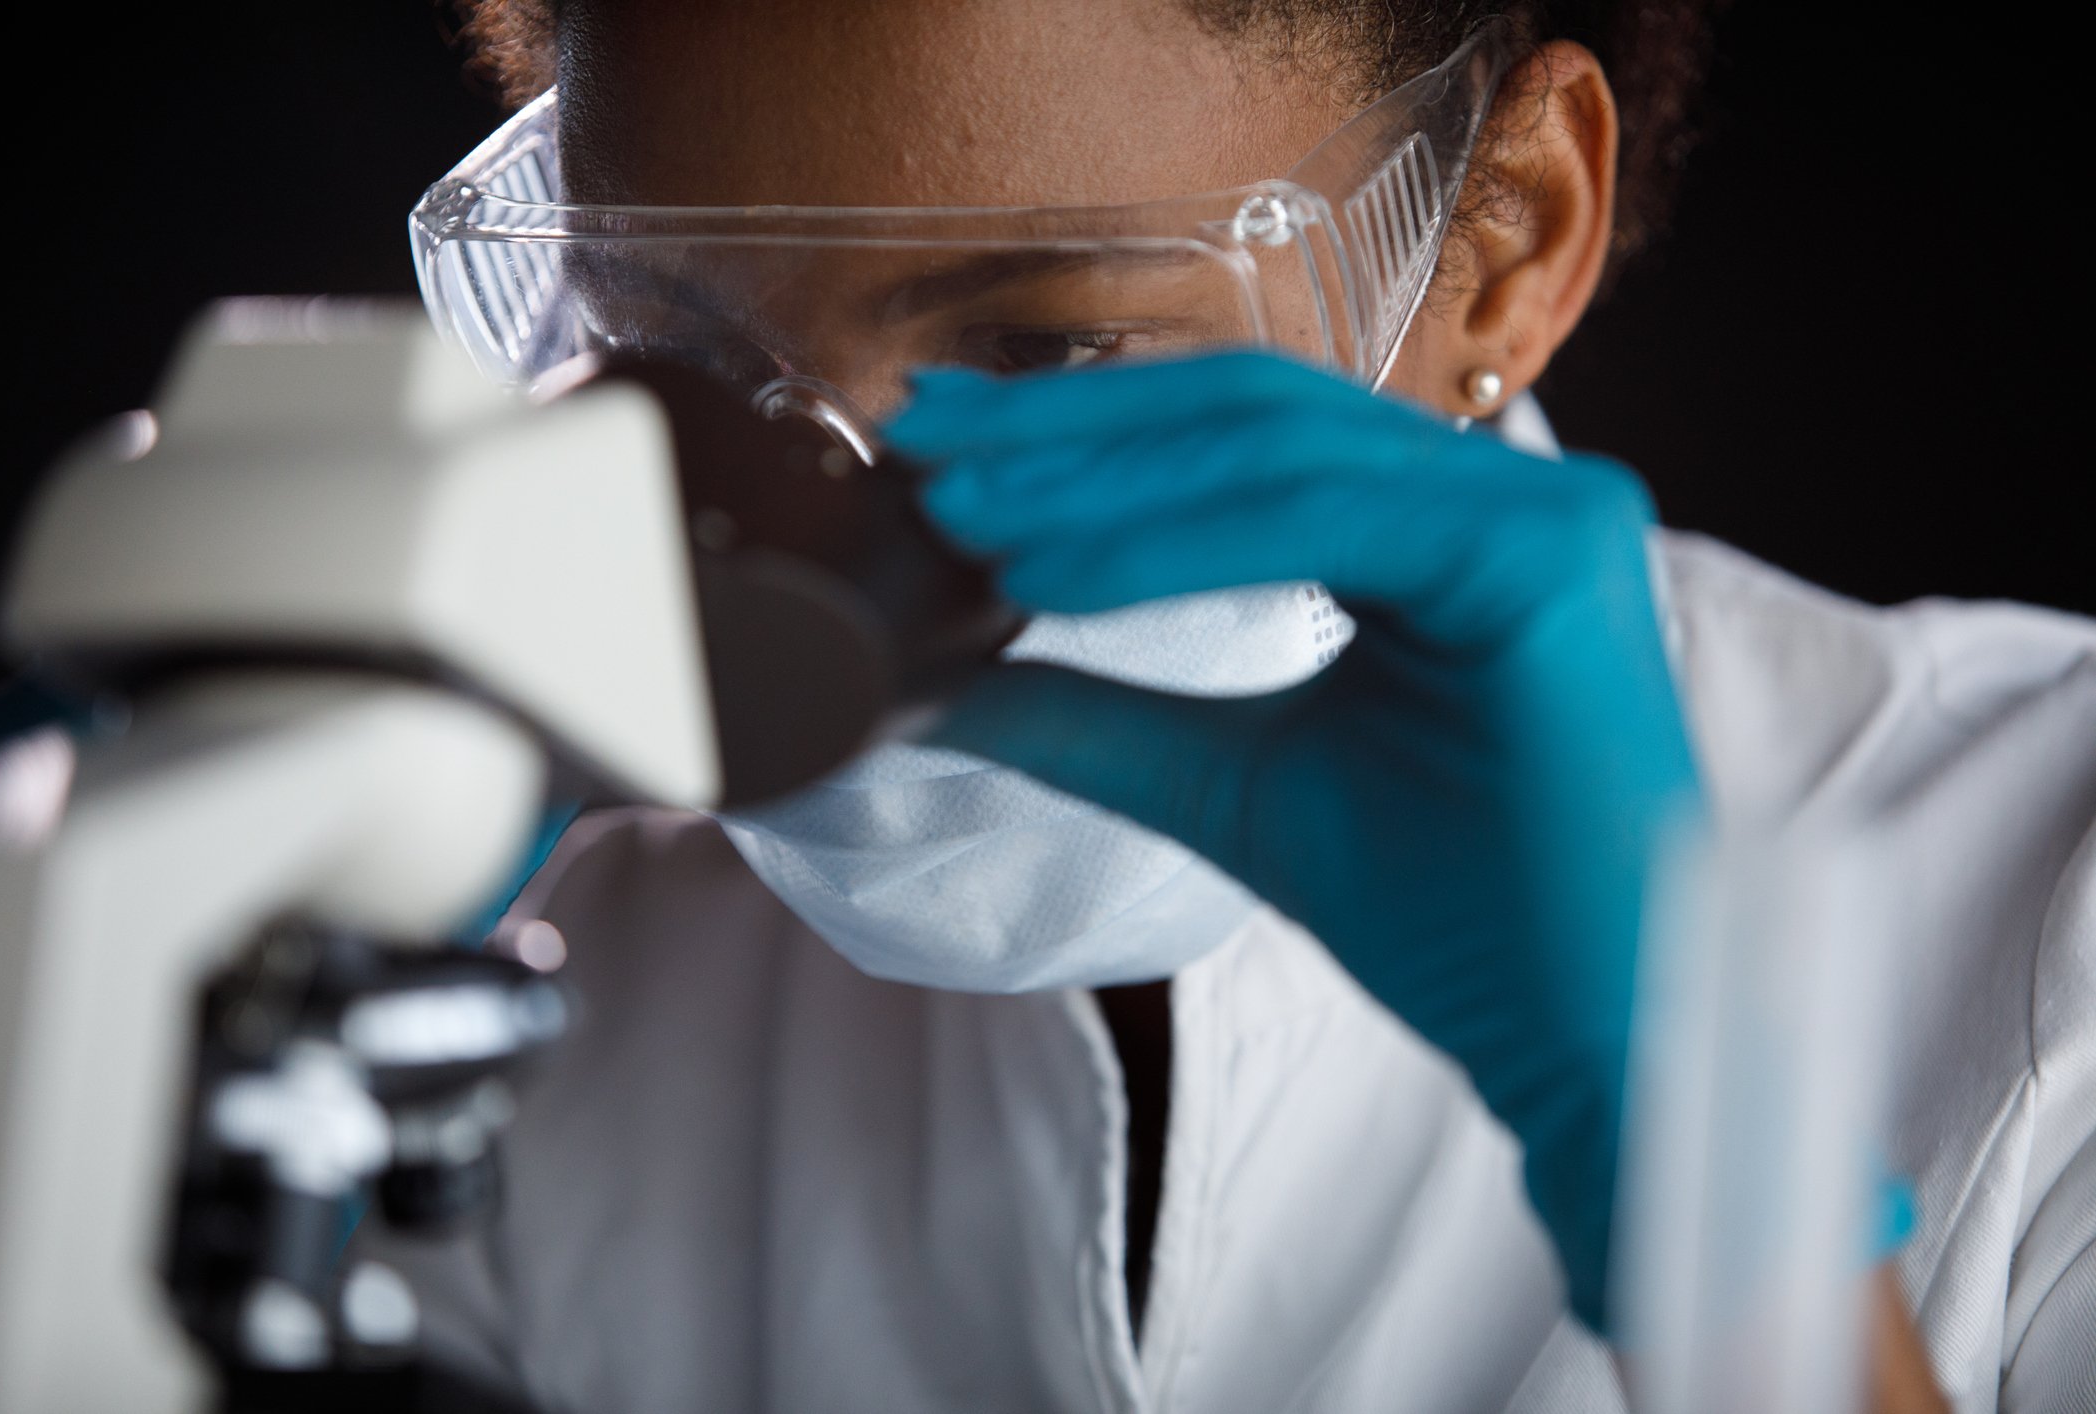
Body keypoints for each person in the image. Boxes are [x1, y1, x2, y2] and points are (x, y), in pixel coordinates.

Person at [364, 2, 2095, 1410]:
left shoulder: (2051, 877)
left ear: (1505, 245)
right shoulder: (526, 972)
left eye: (1041, 350)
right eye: (677, 359)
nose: (832, 552)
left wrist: (1704, 1195)